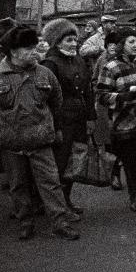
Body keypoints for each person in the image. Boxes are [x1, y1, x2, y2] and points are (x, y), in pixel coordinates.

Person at [0, 26, 79, 241]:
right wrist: (2, 126)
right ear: (13, 51)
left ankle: (60, 223)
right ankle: (25, 222)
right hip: (11, 144)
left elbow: (56, 102)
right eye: (29, 48)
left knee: (50, 183)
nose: (35, 52)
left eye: (35, 47)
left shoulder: (45, 73)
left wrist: (49, 125)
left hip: (41, 141)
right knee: (18, 184)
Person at [41, 19, 96, 216]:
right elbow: (47, 100)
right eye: (68, 40)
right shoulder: (50, 63)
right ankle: (59, 206)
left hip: (79, 118)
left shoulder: (79, 60)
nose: (74, 44)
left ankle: (67, 200)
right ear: (57, 42)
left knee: (75, 162)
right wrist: (55, 127)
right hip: (62, 120)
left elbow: (88, 90)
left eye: (75, 40)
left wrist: (91, 117)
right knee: (60, 163)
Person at [96, 28, 136, 212]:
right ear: (122, 45)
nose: (135, 45)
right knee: (130, 160)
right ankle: (134, 195)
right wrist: (122, 97)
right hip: (123, 122)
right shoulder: (110, 67)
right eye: (131, 42)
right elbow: (101, 95)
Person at [91, 31, 123, 191]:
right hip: (106, 107)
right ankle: (114, 175)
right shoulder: (102, 60)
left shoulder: (125, 60)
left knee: (122, 142)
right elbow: (94, 80)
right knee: (110, 143)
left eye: (115, 45)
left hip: (124, 107)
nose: (112, 48)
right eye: (110, 45)